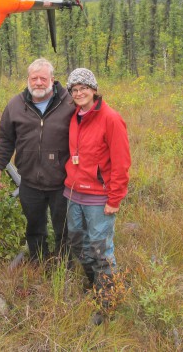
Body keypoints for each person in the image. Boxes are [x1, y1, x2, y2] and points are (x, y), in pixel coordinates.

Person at [0, 58, 75, 263]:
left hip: (61, 181)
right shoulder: (15, 105)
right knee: (34, 226)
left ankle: (64, 264)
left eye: (43, 78)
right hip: (29, 180)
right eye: (34, 78)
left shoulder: (70, 103)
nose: (38, 82)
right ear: (28, 79)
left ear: (52, 80)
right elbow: (6, 140)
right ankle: (39, 261)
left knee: (63, 227)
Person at [64, 68, 131, 321]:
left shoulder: (110, 118)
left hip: (98, 198)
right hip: (73, 194)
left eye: (83, 88)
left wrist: (114, 199)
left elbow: (122, 162)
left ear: (94, 90)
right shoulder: (74, 116)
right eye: (75, 89)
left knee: (101, 249)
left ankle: (107, 302)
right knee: (79, 244)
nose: (79, 93)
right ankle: (95, 286)